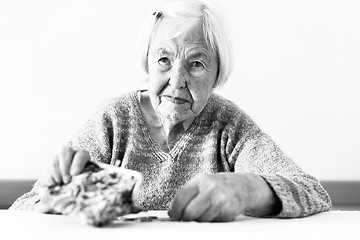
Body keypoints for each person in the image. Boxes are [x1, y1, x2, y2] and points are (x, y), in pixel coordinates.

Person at [10, 0, 331, 222]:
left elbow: (311, 191)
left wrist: (246, 188)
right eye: (164, 60)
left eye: (196, 63)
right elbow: (24, 209)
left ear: (218, 73)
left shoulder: (229, 126)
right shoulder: (113, 120)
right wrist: (54, 199)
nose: (177, 82)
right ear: (147, 62)